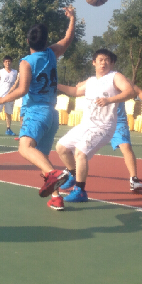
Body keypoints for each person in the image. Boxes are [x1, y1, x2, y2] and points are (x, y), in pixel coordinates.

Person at [0, 6, 76, 204]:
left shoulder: (26, 62)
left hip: (37, 112)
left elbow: (23, 89)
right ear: (46, 41)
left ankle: (55, 174)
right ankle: (56, 197)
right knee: (42, 157)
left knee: (24, 148)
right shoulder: (52, 53)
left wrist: (0, 99)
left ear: (28, 41)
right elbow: (67, 39)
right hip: (52, 114)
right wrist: (72, 19)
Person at [53, 49, 135, 206]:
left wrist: (110, 100)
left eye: (107, 60)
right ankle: (73, 174)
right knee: (61, 147)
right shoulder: (90, 81)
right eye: (100, 60)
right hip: (86, 124)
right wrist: (56, 85)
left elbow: (130, 92)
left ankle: (80, 190)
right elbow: (75, 91)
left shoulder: (115, 77)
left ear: (111, 63)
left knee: (80, 152)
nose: (104, 63)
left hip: (103, 126)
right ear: (94, 63)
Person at [61, 78, 142, 193]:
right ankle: (72, 170)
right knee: (76, 147)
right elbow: (78, 88)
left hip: (118, 122)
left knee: (126, 146)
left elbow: (139, 92)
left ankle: (134, 179)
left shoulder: (119, 81)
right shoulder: (94, 80)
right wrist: (78, 84)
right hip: (98, 121)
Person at [0, 56, 18, 136]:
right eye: (6, 62)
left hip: (10, 97)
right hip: (0, 96)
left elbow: (16, 83)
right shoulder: (0, 72)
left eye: (9, 61)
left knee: (8, 113)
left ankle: (8, 129)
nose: (7, 63)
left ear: (11, 62)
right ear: (3, 63)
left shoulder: (15, 72)